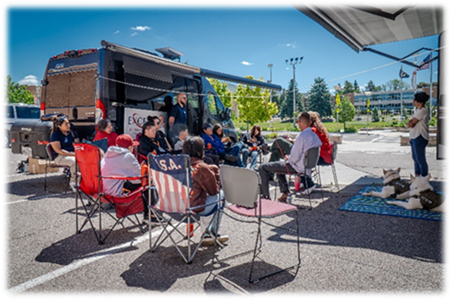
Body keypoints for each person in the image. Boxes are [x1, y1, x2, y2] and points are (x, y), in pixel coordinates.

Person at [259, 112, 322, 202]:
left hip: (297, 167)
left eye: (297, 122)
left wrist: (289, 158)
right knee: (279, 169)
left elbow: (294, 158)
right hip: (307, 167)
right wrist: (291, 157)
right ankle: (285, 193)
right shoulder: (315, 136)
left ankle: (265, 197)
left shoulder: (302, 136)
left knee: (263, 167)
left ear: (300, 122)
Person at [182, 136, 229, 246]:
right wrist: (215, 175)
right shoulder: (201, 167)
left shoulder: (177, 166)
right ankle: (210, 232)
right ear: (200, 151)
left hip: (174, 208)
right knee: (221, 195)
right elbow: (213, 191)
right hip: (194, 208)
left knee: (199, 195)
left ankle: (206, 231)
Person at [101, 134, 156, 223]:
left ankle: (149, 214)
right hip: (116, 192)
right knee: (148, 185)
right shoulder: (127, 156)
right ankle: (152, 215)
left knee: (142, 184)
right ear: (130, 147)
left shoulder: (108, 153)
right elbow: (140, 178)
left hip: (104, 191)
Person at [406, 91, 430, 178]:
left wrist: (410, 123)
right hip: (414, 137)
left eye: (415, 100)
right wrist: (410, 123)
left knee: (420, 159)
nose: (413, 102)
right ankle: (417, 178)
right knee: (415, 159)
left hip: (419, 137)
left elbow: (411, 124)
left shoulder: (423, 111)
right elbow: (410, 123)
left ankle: (424, 178)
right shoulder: (418, 111)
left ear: (420, 102)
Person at [49, 115, 80, 183]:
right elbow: (59, 151)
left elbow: (78, 145)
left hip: (73, 154)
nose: (68, 125)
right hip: (60, 156)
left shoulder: (72, 133)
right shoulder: (55, 135)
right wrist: (73, 154)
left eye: (68, 123)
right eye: (66, 124)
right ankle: (74, 182)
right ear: (59, 126)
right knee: (74, 161)